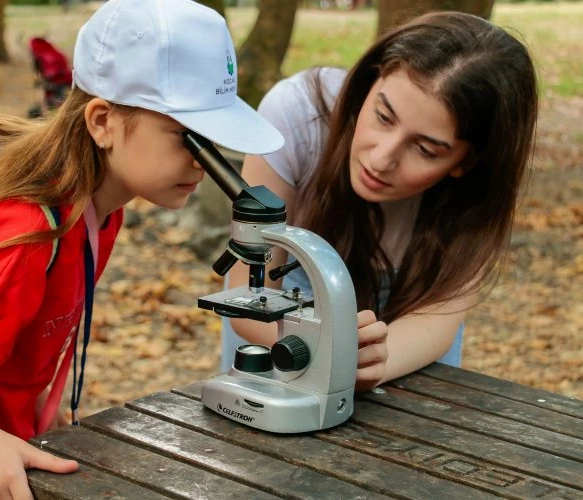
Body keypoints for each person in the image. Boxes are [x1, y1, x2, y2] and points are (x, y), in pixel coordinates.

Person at [0, 0, 283, 497]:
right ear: (102, 122)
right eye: (187, 138)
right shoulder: (23, 234)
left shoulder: (100, 210)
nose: (205, 162)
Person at [221, 11, 538, 392]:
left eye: (425, 149)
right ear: (372, 80)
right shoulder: (297, 115)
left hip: (404, 348)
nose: (381, 158)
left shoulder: (477, 199)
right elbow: (247, 298)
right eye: (383, 116)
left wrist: (371, 360)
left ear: (467, 162)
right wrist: (327, 348)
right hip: (279, 333)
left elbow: (433, 323)